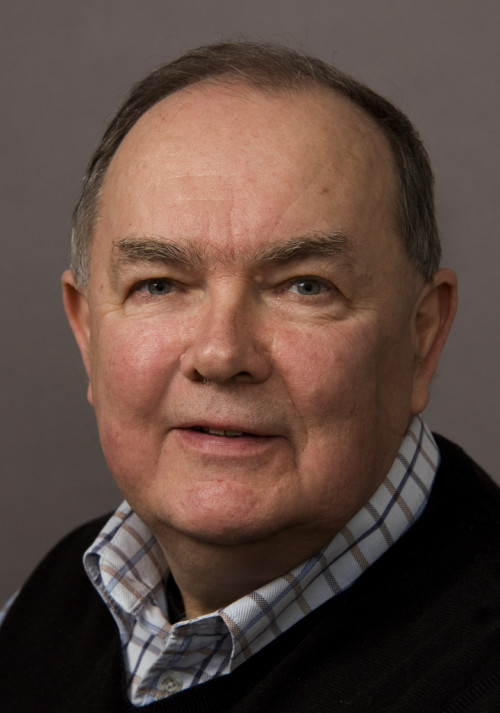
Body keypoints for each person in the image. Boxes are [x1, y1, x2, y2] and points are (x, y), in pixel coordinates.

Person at [1, 42, 499, 712]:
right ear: (88, 333)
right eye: (159, 284)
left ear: (422, 336)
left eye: (305, 285)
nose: (220, 353)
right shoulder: (43, 609)